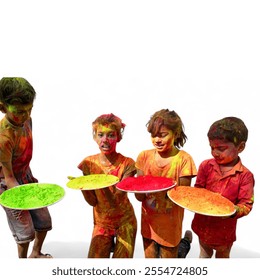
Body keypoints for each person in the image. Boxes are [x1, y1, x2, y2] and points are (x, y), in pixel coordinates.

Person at [0, 77, 52, 258]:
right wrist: (25, 198)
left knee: (44, 219)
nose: (26, 115)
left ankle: (36, 253)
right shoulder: (3, 138)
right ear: (2, 107)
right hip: (7, 183)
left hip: (25, 176)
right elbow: (9, 178)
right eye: (20, 111)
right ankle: (22, 265)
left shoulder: (27, 121)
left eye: (30, 109)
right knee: (24, 231)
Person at [135, 109, 197, 258]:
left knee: (169, 263)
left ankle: (184, 244)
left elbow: (182, 197)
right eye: (153, 135)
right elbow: (139, 197)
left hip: (171, 227)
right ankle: (184, 246)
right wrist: (136, 187)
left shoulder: (184, 160)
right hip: (148, 225)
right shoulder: (144, 157)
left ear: (175, 134)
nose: (157, 139)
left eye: (163, 135)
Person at [191, 117, 254, 258]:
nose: (215, 153)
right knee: (204, 256)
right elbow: (198, 190)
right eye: (211, 147)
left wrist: (230, 210)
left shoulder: (245, 176)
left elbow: (246, 205)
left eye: (221, 148)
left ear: (240, 147)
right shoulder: (206, 166)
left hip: (224, 233)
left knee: (222, 260)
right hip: (202, 226)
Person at [77, 113, 137, 258]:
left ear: (118, 137)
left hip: (125, 221)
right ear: (94, 137)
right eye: (100, 134)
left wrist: (100, 183)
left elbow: (116, 200)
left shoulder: (127, 163)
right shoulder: (88, 164)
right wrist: (82, 187)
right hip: (101, 222)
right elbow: (92, 201)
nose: (105, 140)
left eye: (110, 135)